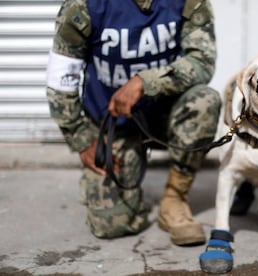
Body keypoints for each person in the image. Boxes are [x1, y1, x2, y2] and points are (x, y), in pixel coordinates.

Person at [46, 0, 221, 246]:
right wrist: (81, 138)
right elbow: (61, 77)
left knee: (205, 101)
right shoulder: (85, 6)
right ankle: (121, 174)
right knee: (113, 225)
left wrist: (144, 82)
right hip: (112, 121)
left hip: (165, 115)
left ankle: (174, 199)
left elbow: (202, 61)